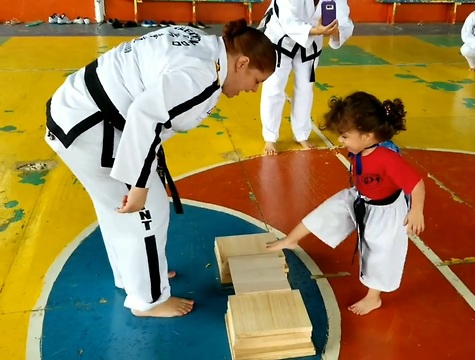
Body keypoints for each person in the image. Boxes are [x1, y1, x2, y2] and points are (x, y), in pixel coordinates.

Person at [44, 19, 276, 318]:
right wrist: (139, 185)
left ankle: (134, 277)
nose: (253, 90)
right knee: (147, 211)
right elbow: (145, 116)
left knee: (116, 207)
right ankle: (148, 300)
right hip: (92, 127)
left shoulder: (201, 42)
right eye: (256, 81)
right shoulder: (201, 76)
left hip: (75, 110)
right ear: (242, 63)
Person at [266, 91, 426, 315]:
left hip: (386, 210)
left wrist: (416, 211)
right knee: (327, 211)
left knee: (380, 250)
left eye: (345, 136)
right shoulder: (362, 146)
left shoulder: (387, 158)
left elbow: (416, 184)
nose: (340, 140)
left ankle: (374, 297)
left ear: (368, 136)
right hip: (360, 197)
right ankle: (291, 240)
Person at [258, 0, 354, 155]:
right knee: (274, 87)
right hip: (279, 38)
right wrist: (316, 31)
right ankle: (270, 137)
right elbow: (287, 19)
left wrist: (335, 31)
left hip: (310, 45)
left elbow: (344, 20)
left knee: (305, 88)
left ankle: (301, 134)